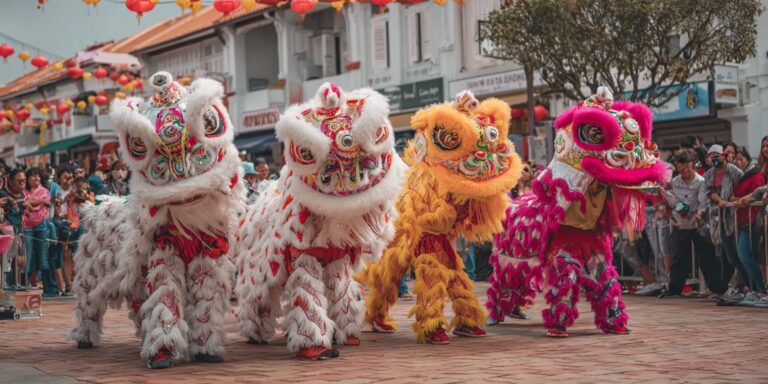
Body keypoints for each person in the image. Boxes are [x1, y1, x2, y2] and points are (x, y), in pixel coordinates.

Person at [663, 152, 726, 297]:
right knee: (679, 257)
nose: (684, 171)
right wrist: (675, 205)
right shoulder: (675, 182)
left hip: (699, 224)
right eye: (681, 169)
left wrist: (699, 211)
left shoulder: (701, 182)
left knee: (706, 257)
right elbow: (669, 196)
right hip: (681, 223)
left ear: (693, 165)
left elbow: (702, 200)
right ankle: (674, 288)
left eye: (687, 168)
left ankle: (717, 288)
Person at [700, 144, 747, 299]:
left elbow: (742, 190)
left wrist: (729, 201)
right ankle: (728, 287)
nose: (715, 158)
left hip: (734, 217)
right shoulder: (709, 174)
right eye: (711, 156)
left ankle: (744, 285)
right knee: (725, 255)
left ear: (724, 155)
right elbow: (708, 191)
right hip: (717, 218)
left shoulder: (734, 171)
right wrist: (719, 200)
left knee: (738, 254)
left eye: (717, 155)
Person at [732, 147, 767, 301]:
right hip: (747, 221)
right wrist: (743, 199)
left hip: (755, 220)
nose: (738, 161)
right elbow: (759, 191)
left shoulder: (756, 174)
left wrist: (747, 199)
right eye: (736, 159)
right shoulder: (742, 175)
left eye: (741, 158)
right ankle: (759, 288)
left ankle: (761, 288)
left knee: (752, 255)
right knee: (746, 254)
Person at [21, 167, 56, 296]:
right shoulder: (23, 191)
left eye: (38, 176)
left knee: (43, 255)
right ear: (27, 178)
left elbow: (44, 202)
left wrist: (32, 202)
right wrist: (40, 201)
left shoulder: (45, 191)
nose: (36, 178)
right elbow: (25, 202)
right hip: (26, 225)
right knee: (28, 254)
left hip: (41, 224)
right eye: (32, 176)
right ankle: (25, 284)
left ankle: (48, 288)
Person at [0, 168, 27, 286]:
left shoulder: (21, 195)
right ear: (10, 181)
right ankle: (8, 288)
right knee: (7, 263)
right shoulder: (3, 195)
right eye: (19, 181)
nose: (22, 184)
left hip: (16, 230)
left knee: (19, 261)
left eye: (24, 181)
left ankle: (13, 288)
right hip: (6, 232)